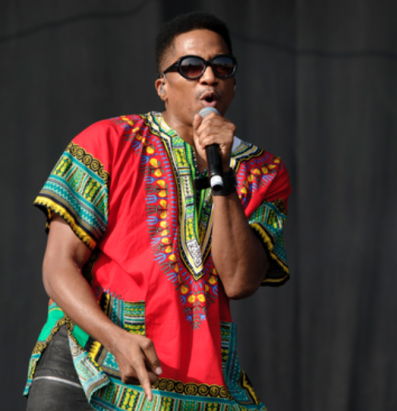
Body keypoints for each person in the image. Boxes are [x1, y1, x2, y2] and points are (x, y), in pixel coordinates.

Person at [24, 11, 291, 411]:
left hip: (197, 383)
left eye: (222, 66)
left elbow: (238, 280)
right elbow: (58, 266)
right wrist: (115, 338)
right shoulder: (107, 141)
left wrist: (222, 176)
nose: (208, 76)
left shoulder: (263, 172)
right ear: (162, 86)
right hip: (86, 366)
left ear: (234, 83)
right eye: (190, 66)